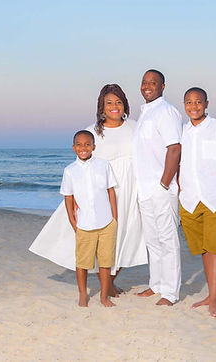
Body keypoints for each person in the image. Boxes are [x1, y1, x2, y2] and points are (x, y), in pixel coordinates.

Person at [29, 84, 147, 296]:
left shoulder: (135, 126)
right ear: (101, 106)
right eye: (109, 103)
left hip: (130, 191)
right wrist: (75, 199)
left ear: (125, 105)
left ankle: (109, 282)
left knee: (129, 238)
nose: (114, 107)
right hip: (101, 194)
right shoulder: (93, 131)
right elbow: (80, 166)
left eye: (118, 102)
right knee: (100, 240)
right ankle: (107, 286)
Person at [179, 87, 216, 317]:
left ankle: (214, 300)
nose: (193, 106)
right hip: (190, 199)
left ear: (206, 104)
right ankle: (213, 294)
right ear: (184, 105)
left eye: (198, 102)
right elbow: (178, 162)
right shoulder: (183, 132)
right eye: (188, 102)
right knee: (205, 249)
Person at [134, 69, 182, 306]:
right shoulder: (146, 112)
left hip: (161, 189)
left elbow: (174, 148)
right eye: (144, 82)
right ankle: (156, 285)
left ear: (163, 86)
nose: (147, 86)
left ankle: (170, 293)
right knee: (152, 241)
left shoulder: (166, 112)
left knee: (168, 241)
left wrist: (163, 184)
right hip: (144, 189)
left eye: (153, 82)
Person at [61, 130, 117, 307]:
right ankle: (83, 294)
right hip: (84, 224)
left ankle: (103, 296)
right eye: (79, 144)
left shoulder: (103, 165)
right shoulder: (70, 171)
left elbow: (110, 191)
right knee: (83, 262)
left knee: (106, 261)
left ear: (93, 146)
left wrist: (114, 218)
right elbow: (68, 197)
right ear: (73, 148)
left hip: (106, 222)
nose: (83, 148)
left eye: (87, 144)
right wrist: (72, 221)